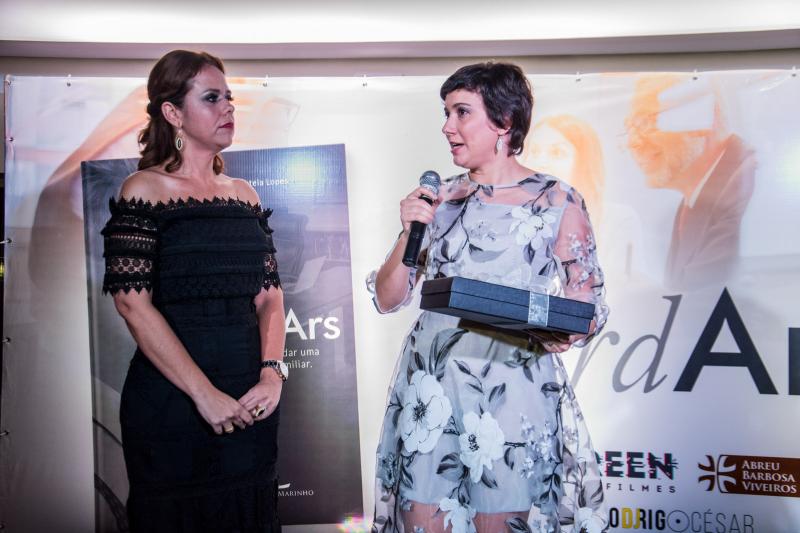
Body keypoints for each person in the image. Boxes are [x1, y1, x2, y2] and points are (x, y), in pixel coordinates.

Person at [368, 62, 609, 533]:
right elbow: (388, 297)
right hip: (433, 390)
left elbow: (590, 303)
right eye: (446, 113)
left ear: (504, 121)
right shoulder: (438, 202)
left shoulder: (556, 200)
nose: (447, 126)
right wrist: (409, 229)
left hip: (512, 388)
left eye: (461, 112)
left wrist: (563, 330)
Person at [101, 50, 286, 532]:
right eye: (211, 98)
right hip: (173, 405)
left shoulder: (245, 195)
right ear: (173, 112)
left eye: (229, 97)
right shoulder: (142, 189)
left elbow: (270, 296)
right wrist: (204, 395)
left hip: (250, 399)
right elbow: (131, 304)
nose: (228, 107)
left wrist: (272, 375)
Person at [626, 74, 755, 290]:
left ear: (703, 118)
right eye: (631, 127)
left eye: (647, 122)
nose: (633, 143)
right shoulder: (694, 199)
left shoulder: (741, 187)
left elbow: (706, 292)